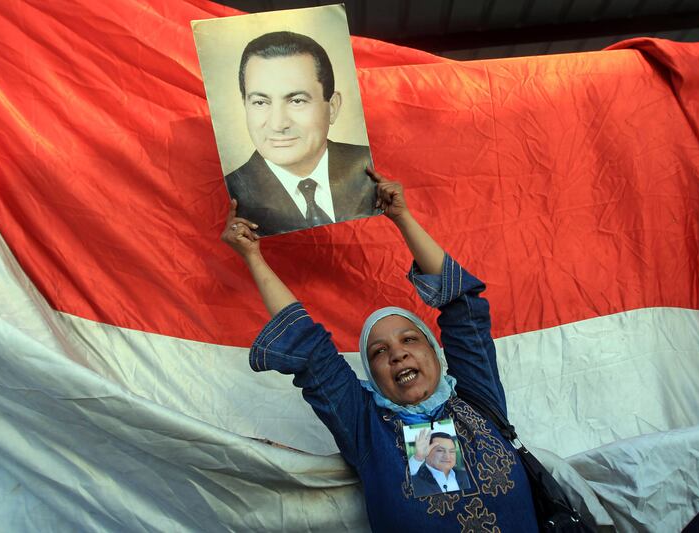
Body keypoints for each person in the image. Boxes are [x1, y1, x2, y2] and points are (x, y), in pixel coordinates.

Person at [221, 169, 537, 531]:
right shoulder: (369, 430)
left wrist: (401, 217)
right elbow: (311, 351)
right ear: (372, 378)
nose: (398, 354)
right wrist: (251, 255)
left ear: (436, 352)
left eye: (410, 339)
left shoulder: (479, 398)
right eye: (379, 352)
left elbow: (462, 307)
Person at [224, 31, 376, 237]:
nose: (278, 124)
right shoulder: (231, 195)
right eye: (260, 102)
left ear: (332, 107)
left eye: (297, 101)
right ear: (245, 106)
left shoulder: (372, 166)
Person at [409, 430, 471, 497]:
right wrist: (419, 457)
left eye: (452, 451)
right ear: (426, 452)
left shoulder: (465, 475)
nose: (447, 456)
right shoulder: (415, 478)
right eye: (440, 450)